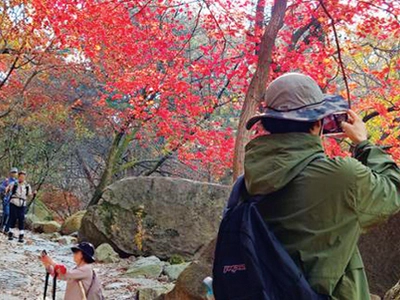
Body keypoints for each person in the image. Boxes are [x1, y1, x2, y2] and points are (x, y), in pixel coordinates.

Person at [244, 73, 400, 300]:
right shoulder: (341, 177)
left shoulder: (249, 180)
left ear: (268, 123)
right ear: (318, 124)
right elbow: (394, 190)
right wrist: (363, 144)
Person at [7, 170, 35, 242]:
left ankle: (21, 235)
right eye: (21, 177)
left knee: (21, 219)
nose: (22, 178)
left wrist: (33, 194)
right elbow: (7, 190)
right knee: (13, 218)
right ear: (18, 177)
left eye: (23, 177)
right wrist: (7, 189)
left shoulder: (27, 186)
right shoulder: (14, 184)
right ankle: (10, 233)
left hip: (22, 203)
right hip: (13, 202)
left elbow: (29, 195)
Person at [0, 167, 18, 233]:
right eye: (13, 172)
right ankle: (1, 226)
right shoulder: (7, 181)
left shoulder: (17, 182)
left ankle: (6, 229)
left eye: (15, 172)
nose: (14, 174)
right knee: (7, 213)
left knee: (12, 215)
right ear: (10, 173)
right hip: (6, 200)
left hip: (14, 201)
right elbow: (1, 187)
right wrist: (6, 188)